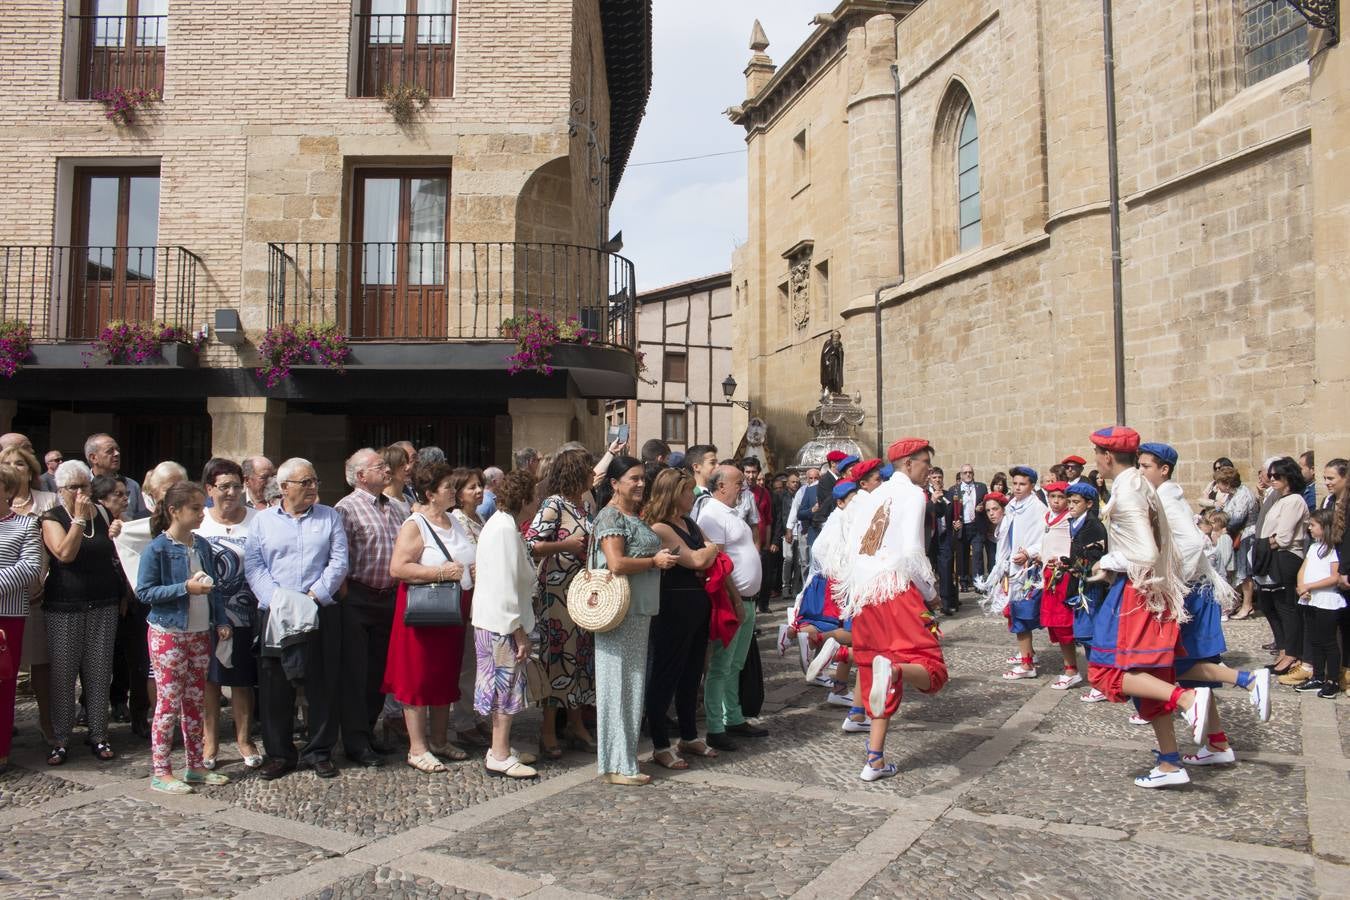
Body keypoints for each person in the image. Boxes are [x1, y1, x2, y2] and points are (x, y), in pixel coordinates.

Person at [1083, 426, 1209, 789]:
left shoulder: (1127, 493)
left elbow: (1144, 552)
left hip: (1135, 594)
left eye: (1097, 454)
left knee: (1106, 671)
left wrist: (1107, 561)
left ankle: (1186, 699)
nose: (1096, 460)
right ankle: (1170, 762)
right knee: (1149, 679)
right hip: (1146, 591)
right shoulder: (1137, 484)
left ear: (1107, 456)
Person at [1138, 442, 1271, 766]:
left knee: (1178, 665)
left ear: (1164, 469)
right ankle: (1218, 744)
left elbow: (1194, 543)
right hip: (1194, 592)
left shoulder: (1167, 498)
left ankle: (1247, 679)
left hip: (1191, 594)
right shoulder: (1165, 496)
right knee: (1194, 677)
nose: (1140, 471)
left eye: (1145, 466)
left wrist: (1170, 585)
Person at [833, 438, 948, 782]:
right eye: (925, 462)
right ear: (909, 464)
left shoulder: (873, 495)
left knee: (873, 668)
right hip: (895, 589)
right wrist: (930, 591)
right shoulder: (913, 494)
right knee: (931, 666)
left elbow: (852, 548)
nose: (929, 469)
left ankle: (875, 760)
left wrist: (854, 593)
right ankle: (897, 671)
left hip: (866, 595)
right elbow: (913, 551)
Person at [244, 458, 349, 780]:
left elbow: (339, 560)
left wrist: (313, 596)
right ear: (284, 487)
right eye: (306, 482)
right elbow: (254, 564)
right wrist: (278, 599)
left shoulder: (329, 517)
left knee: (323, 681)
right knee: (276, 685)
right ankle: (279, 753)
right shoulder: (262, 522)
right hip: (276, 612)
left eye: (315, 481)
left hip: (318, 609)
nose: (313, 487)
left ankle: (319, 750)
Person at [136, 481, 232, 794]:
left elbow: (213, 586)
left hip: (198, 632)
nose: (202, 513)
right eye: (195, 508)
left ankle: (195, 765)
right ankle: (161, 770)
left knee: (195, 701)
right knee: (168, 702)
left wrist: (219, 620)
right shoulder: (158, 548)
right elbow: (145, 591)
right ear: (174, 511)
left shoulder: (201, 545)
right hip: (169, 633)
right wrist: (184, 588)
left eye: (202, 506)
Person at [592, 456, 680, 785]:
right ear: (614, 483)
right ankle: (617, 763)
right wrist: (653, 561)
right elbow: (615, 563)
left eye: (643, 478)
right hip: (620, 611)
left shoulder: (632, 514)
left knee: (632, 685)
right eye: (634, 478)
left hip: (638, 609)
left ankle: (625, 758)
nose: (641, 483)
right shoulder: (611, 515)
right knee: (618, 685)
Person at [385, 461, 476, 773]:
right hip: (424, 613)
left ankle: (439, 739)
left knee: (445, 675)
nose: (453, 490)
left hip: (453, 610)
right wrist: (439, 571)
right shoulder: (415, 525)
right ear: (430, 493)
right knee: (418, 677)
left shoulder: (454, 520)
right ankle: (417, 747)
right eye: (448, 486)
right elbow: (398, 568)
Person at [41, 460, 124, 765]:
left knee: (100, 671)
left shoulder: (101, 512)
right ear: (60, 489)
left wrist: (116, 527)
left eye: (84, 486)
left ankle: (99, 734)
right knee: (63, 675)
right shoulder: (52, 517)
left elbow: (113, 551)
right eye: (72, 487)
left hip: (103, 602)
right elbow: (64, 554)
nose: (79, 492)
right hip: (65, 606)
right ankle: (61, 739)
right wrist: (77, 519)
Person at [335, 448, 409, 767]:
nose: (386, 470)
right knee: (355, 671)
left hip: (388, 597)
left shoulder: (396, 508)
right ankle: (354, 740)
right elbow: (339, 556)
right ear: (361, 475)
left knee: (379, 671)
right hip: (358, 597)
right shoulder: (345, 509)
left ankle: (368, 729)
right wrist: (347, 594)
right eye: (379, 466)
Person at [644, 468, 721, 769]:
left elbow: (706, 552)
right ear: (673, 494)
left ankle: (688, 735)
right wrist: (709, 550)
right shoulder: (660, 527)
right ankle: (660, 743)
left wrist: (707, 550)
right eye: (688, 491)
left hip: (696, 603)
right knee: (666, 674)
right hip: (673, 606)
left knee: (692, 673)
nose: (692, 496)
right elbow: (700, 558)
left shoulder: (688, 522)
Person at [525, 448, 597, 758]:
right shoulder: (554, 505)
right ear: (576, 474)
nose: (594, 474)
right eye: (589, 470)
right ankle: (548, 730)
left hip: (581, 594)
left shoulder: (583, 506)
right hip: (556, 595)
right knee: (558, 659)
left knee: (580, 659)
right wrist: (563, 544)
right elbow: (531, 545)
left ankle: (576, 723)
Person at [471, 469, 540, 779]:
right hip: (502, 624)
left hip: (500, 621)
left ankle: (500, 748)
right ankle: (498, 753)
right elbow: (504, 585)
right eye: (534, 496)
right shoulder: (502, 530)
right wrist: (519, 632)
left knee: (508, 686)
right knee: (505, 688)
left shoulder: (504, 526)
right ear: (523, 499)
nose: (537, 501)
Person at [195, 458, 262, 770]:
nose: (232, 492)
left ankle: (245, 738)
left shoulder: (258, 519)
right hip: (204, 613)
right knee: (209, 679)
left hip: (245, 612)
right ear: (210, 489)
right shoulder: (200, 520)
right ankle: (210, 741)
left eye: (237, 485)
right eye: (224, 486)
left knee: (242, 679)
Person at [697, 463, 769, 752]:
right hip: (733, 601)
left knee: (735, 664)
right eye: (739, 483)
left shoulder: (730, 512)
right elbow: (718, 562)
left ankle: (733, 716)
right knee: (721, 666)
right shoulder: (712, 514)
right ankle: (715, 726)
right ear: (721, 486)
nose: (744, 487)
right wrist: (736, 600)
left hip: (747, 601)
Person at [1, 447, 57, 744]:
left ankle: (47, 722)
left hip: (33, 598)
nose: (14, 468)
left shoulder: (44, 504)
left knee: (37, 665)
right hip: (10, 599)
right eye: (7, 463)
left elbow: (37, 561)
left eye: (19, 463)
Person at [0, 465, 42, 774]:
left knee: (3, 683)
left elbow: (30, 567)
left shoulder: (25, 524)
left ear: (7, 490)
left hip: (8, 614)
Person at [989, 466, 1048, 679]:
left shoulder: (1038, 508)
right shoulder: (1013, 505)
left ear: (1032, 486)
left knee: (1022, 613)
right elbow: (1005, 534)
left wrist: (1029, 552)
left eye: (1022, 484)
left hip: (1027, 569)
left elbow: (1044, 538)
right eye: (1014, 484)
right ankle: (1027, 653)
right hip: (1011, 566)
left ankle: (1027, 665)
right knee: (1013, 611)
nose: (1017, 488)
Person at [447, 468, 491, 748]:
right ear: (458, 492)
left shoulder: (481, 517)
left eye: (480, 486)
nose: (478, 491)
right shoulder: (457, 521)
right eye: (472, 487)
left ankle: (474, 714)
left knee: (477, 661)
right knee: (466, 663)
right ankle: (463, 722)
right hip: (466, 595)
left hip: (483, 595)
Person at [1261, 457, 1312, 685]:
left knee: (1285, 606)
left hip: (1286, 556)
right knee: (1268, 605)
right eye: (1270, 475)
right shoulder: (1278, 499)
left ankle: (1292, 653)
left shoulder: (1294, 501)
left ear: (1288, 477)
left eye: (1276, 476)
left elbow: (1283, 537)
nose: (1271, 479)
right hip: (1272, 557)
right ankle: (1283, 649)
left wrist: (1263, 545)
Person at [1296, 509, 1342, 698]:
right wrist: (1301, 586)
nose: (1309, 528)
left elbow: (1335, 577)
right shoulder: (1314, 547)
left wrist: (1310, 586)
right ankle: (1317, 676)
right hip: (1310, 599)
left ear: (1325, 527)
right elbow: (1303, 569)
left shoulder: (1333, 549)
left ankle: (1333, 680)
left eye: (1313, 525)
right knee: (1314, 640)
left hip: (1326, 600)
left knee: (1328, 642)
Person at [1213, 465, 1258, 620]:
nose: (1217, 486)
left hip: (1246, 535)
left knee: (1245, 572)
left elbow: (1237, 519)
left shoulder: (1243, 494)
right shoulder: (1233, 495)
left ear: (1227, 483)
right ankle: (1238, 603)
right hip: (1237, 535)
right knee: (1239, 570)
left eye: (1219, 483)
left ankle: (1247, 605)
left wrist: (1223, 530)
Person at [85, 433, 149, 519]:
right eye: (110, 451)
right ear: (93, 458)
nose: (117, 453)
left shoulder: (132, 485)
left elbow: (142, 520)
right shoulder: (84, 486)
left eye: (117, 450)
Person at [949, 464, 988, 592]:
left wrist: (982, 508)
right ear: (961, 475)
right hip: (962, 526)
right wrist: (954, 523)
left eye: (970, 472)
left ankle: (978, 582)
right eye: (965, 472)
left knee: (977, 554)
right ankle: (964, 581)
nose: (968, 474)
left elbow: (986, 504)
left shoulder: (981, 487)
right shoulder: (954, 490)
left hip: (976, 526)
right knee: (962, 555)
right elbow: (950, 511)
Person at [744, 457, 774, 612]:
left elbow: (768, 520)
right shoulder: (739, 492)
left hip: (761, 543)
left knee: (764, 577)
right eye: (747, 472)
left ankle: (763, 605)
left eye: (753, 472)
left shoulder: (764, 493)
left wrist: (767, 544)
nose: (750, 475)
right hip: (744, 544)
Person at [927, 467, 958, 614]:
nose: (937, 480)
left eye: (940, 477)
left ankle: (946, 603)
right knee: (929, 571)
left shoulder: (948, 495)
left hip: (945, 536)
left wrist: (958, 523)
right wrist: (934, 500)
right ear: (929, 479)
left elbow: (955, 514)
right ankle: (930, 603)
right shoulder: (926, 495)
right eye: (934, 477)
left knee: (946, 570)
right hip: (930, 538)